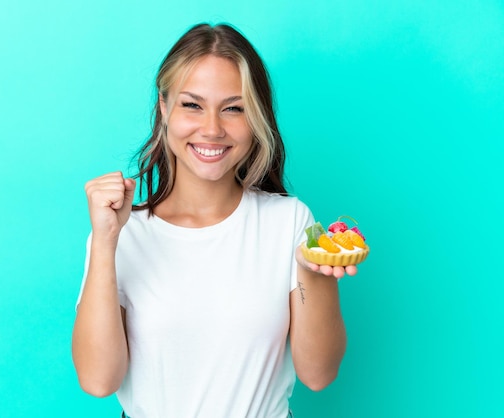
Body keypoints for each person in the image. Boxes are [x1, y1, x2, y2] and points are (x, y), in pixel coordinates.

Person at [72, 22, 357, 418]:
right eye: (192, 104)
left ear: (256, 116)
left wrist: (311, 271)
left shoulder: (290, 222)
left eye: (233, 108)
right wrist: (105, 242)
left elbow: (318, 374)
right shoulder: (123, 233)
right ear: (164, 108)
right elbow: (98, 381)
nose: (211, 129)